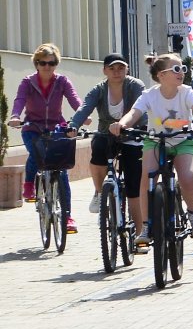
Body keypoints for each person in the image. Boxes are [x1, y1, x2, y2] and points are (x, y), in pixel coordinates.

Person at [111, 52, 193, 241]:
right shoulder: (149, 95)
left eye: (183, 68)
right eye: (176, 69)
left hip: (183, 140)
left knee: (187, 177)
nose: (181, 72)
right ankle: (145, 226)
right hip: (155, 141)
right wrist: (122, 124)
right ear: (161, 75)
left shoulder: (187, 92)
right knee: (147, 178)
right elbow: (134, 113)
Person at [70, 52, 146, 233]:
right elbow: (85, 108)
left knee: (133, 183)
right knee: (98, 148)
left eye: (120, 68)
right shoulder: (99, 89)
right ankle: (99, 192)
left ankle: (140, 231)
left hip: (133, 134)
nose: (116, 72)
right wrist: (73, 125)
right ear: (104, 71)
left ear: (127, 69)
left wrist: (131, 127)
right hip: (107, 134)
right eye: (112, 68)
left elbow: (141, 108)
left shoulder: (136, 86)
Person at [9, 43, 80, 229]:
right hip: (32, 127)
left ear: (56, 64)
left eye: (51, 63)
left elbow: (74, 99)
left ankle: (67, 216)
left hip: (56, 127)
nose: (47, 67)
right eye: (43, 63)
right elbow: (19, 100)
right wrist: (15, 116)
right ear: (37, 64)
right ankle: (29, 184)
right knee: (36, 153)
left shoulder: (62, 81)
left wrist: (82, 116)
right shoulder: (27, 82)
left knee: (62, 170)